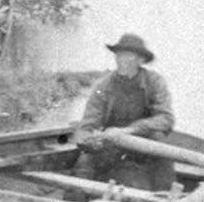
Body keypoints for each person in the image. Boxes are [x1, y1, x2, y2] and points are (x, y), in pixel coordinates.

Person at [72, 33, 176, 193]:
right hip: (112, 144)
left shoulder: (155, 82)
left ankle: (164, 198)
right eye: (119, 54)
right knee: (84, 162)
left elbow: (166, 119)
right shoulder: (104, 86)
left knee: (162, 148)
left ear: (140, 60)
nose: (121, 60)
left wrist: (128, 131)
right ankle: (76, 201)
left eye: (128, 55)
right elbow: (86, 126)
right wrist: (91, 140)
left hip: (145, 144)